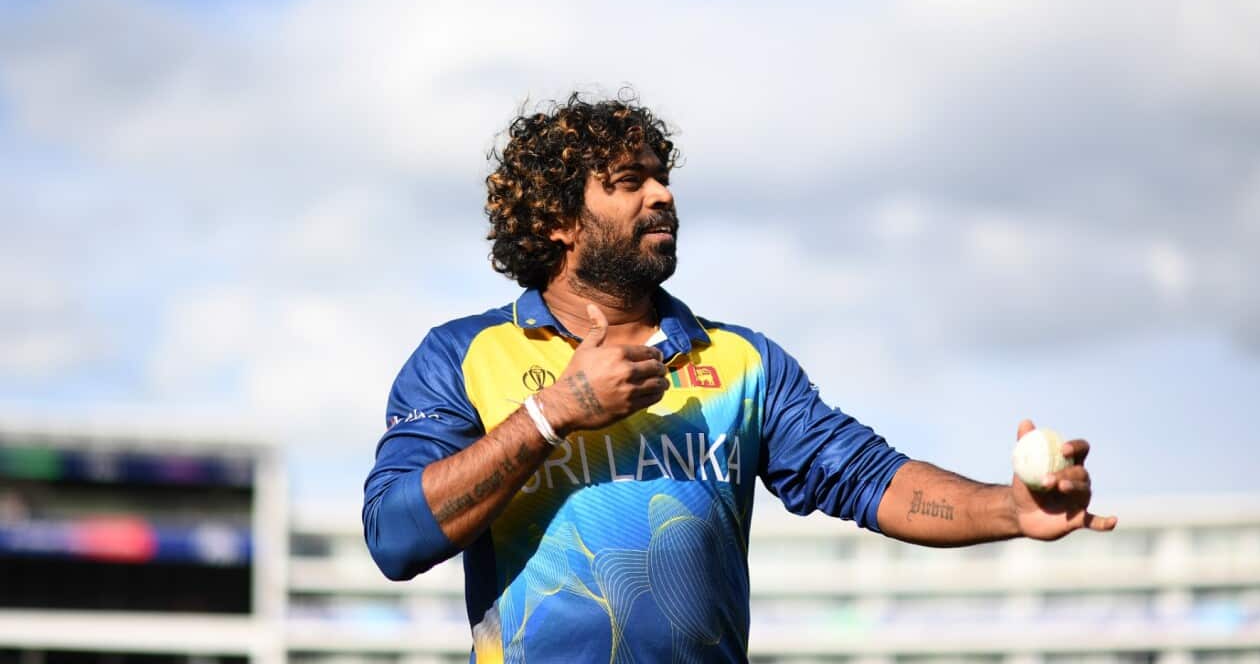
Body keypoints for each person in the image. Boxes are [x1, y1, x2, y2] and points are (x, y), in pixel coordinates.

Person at [362, 93, 1118, 663]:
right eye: (629, 181)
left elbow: (870, 479)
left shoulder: (744, 363)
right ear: (558, 220)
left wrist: (1009, 510)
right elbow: (395, 536)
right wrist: (553, 413)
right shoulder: (462, 355)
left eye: (662, 177)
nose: (662, 194)